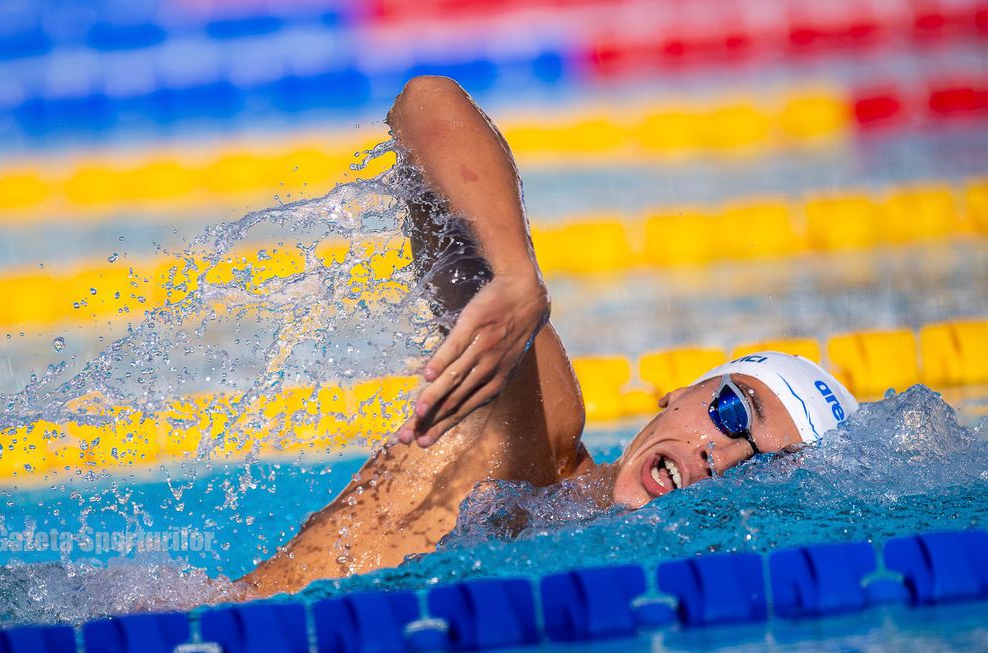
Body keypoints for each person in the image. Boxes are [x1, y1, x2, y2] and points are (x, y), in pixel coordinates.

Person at [240, 76, 858, 598]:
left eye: (759, 469)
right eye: (732, 412)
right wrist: (515, 275)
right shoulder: (533, 432)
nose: (720, 458)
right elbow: (426, 103)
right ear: (679, 394)